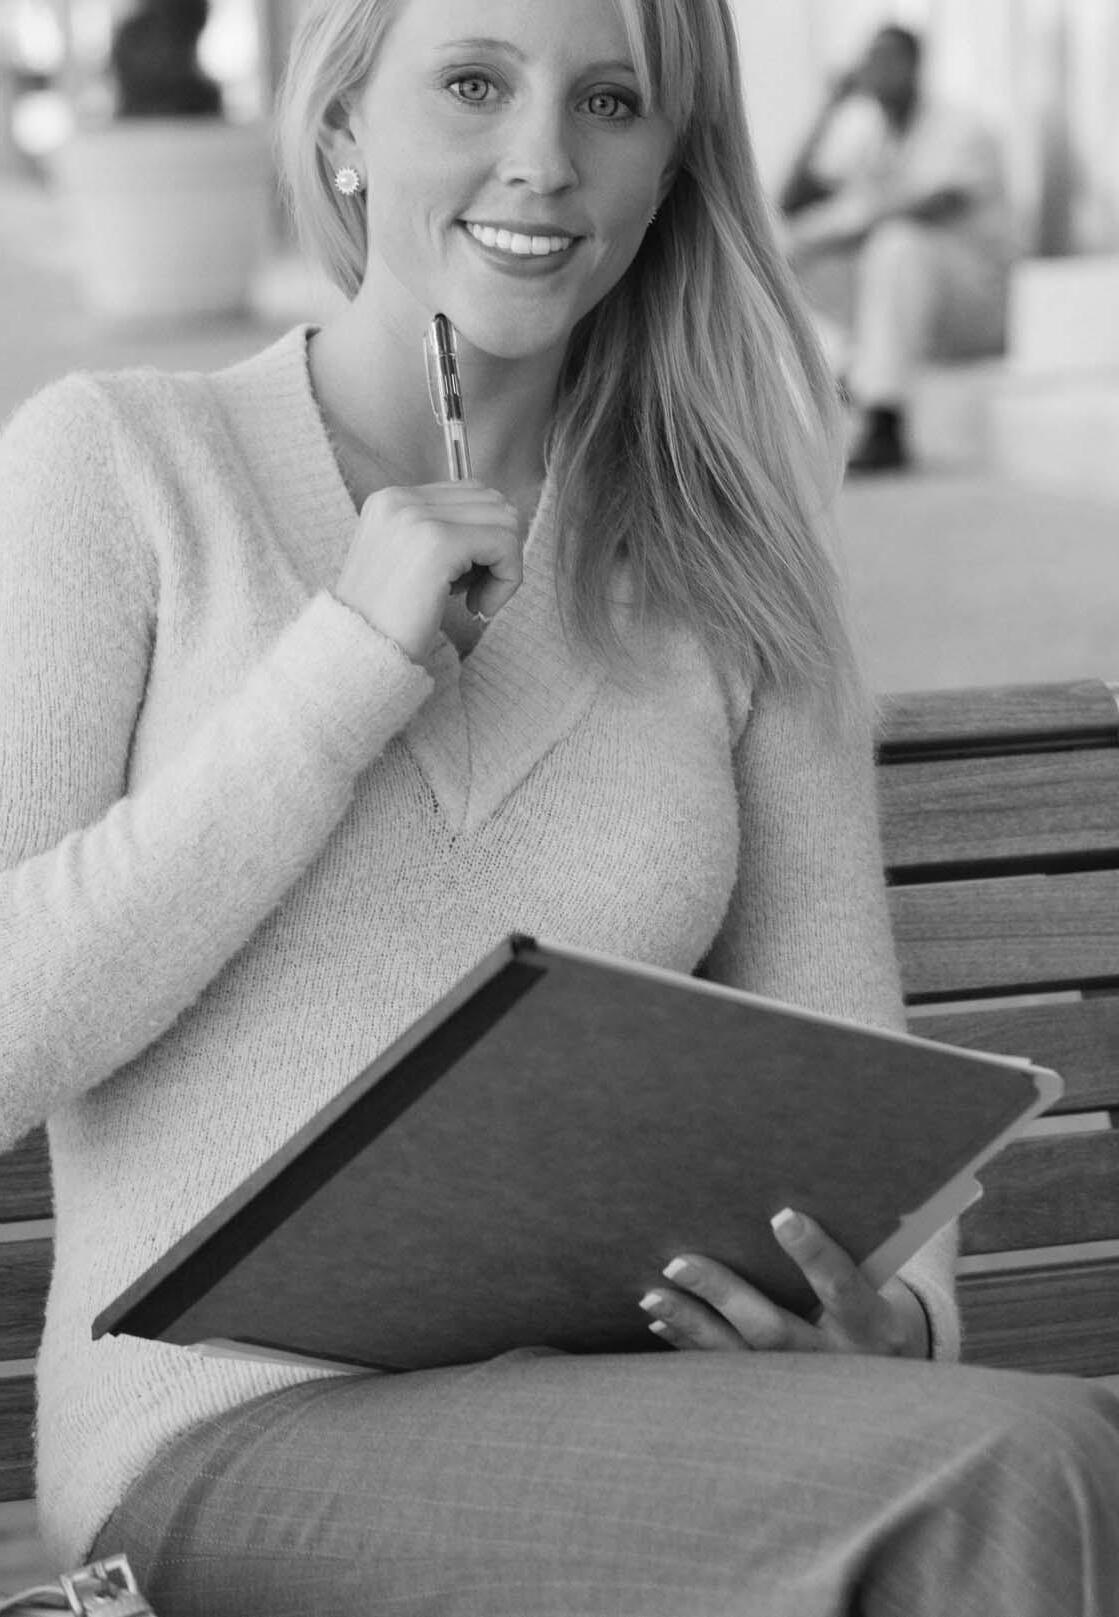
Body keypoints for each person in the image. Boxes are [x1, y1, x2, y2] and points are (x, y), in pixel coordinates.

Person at [1, 0, 1116, 1612]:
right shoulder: (122, 465)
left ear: (669, 167)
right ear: (341, 127)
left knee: (1031, 1462)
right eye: (472, 84)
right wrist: (346, 667)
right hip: (222, 1447)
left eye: (609, 102)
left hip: (657, 1435)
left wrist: (890, 1324)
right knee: (1033, 1469)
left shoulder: (729, 570)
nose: (540, 159)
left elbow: (845, 1061)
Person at [779, 24, 1017, 474]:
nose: (877, 69)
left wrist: (843, 228)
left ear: (916, 66)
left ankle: (884, 420)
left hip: (974, 307)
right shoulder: (870, 138)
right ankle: (850, 370)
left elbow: (932, 205)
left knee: (896, 244)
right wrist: (831, 107)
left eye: (890, 58)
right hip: (905, 309)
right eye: (871, 59)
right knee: (787, 257)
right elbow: (791, 203)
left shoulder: (959, 126)